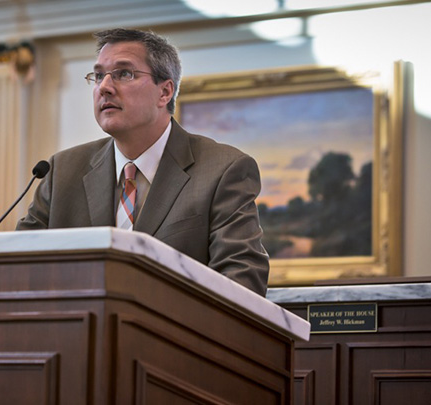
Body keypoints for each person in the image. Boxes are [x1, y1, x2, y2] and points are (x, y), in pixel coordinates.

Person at [16, 28, 269, 296]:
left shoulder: (223, 170)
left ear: (165, 92)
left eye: (124, 74)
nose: (104, 87)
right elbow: (15, 270)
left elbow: (243, 285)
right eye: (99, 75)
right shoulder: (61, 172)